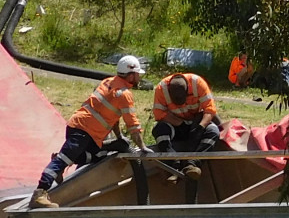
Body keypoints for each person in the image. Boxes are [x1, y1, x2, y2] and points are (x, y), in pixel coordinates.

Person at [36, 55, 147, 191]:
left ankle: (61, 164)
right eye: (137, 74)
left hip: (82, 128)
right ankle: (40, 191)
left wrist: (119, 138)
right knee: (62, 160)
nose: (139, 78)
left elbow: (113, 117)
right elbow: (133, 125)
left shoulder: (108, 82)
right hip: (83, 131)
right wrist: (142, 147)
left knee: (98, 156)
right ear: (130, 76)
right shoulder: (124, 94)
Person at [151, 69, 222, 152]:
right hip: (176, 125)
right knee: (159, 129)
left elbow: (210, 109)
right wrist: (181, 124)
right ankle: (173, 160)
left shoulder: (198, 83)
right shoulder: (161, 88)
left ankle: (194, 161)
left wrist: (200, 127)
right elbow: (158, 113)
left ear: (187, 91)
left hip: (196, 123)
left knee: (213, 131)